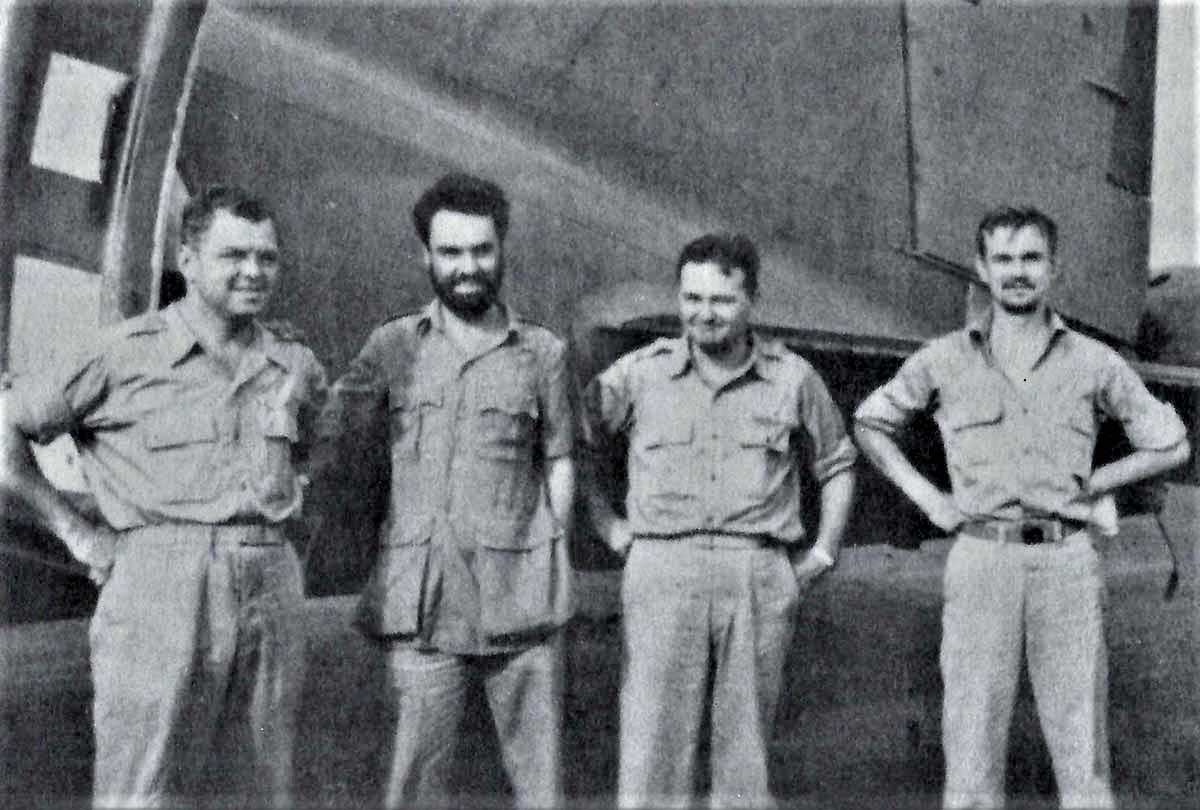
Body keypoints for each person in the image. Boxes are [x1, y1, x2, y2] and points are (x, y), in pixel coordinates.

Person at [0, 185, 328, 807]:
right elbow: (6, 435)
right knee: (144, 787)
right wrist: (77, 533)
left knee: (259, 789)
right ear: (188, 260)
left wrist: (286, 510)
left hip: (270, 581)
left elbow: (316, 447)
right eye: (235, 256)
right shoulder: (123, 353)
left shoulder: (294, 364)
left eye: (268, 258)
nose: (255, 272)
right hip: (159, 582)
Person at [854, 206, 1191, 809]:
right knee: (972, 756)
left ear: (1053, 269)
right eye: (1003, 260)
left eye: (1031, 259)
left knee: (1082, 758)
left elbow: (1171, 442)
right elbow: (870, 423)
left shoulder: (1093, 361)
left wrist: (1094, 482)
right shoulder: (943, 359)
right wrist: (929, 498)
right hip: (982, 562)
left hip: (1066, 564)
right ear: (982, 269)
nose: (1017, 273)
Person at [319, 173, 574, 807]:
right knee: (413, 781)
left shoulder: (542, 353)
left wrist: (549, 547)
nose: (468, 268)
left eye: (481, 251)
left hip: (521, 597)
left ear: (503, 250)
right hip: (421, 598)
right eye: (451, 253)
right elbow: (328, 426)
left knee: (540, 785)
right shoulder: (392, 346)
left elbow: (560, 460)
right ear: (425, 257)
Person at [581, 233, 857, 807]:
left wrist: (822, 553)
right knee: (653, 743)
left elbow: (837, 463)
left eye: (722, 300)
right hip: (663, 566)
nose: (704, 314)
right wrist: (607, 524)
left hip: (754, 569)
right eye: (692, 298)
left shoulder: (793, 378)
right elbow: (571, 442)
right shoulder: (638, 373)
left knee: (746, 753)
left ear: (751, 300)